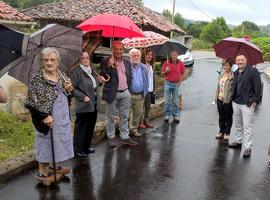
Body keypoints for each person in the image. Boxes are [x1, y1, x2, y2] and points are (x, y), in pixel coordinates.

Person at [25, 47, 74, 183]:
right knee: (45, 142)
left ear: (57, 61)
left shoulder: (62, 75)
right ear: (42, 61)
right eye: (46, 60)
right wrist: (44, 116)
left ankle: (54, 165)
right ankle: (43, 172)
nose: (49, 62)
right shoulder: (37, 80)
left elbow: (68, 94)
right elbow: (31, 102)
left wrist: (70, 89)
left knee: (58, 140)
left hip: (61, 117)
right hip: (47, 119)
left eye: (52, 59)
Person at [100, 41, 138, 147]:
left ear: (123, 50)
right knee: (110, 117)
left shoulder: (127, 61)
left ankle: (125, 137)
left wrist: (129, 91)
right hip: (112, 93)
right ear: (112, 50)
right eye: (116, 49)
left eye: (121, 49)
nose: (119, 51)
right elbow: (103, 75)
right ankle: (111, 137)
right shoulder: (106, 61)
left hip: (125, 92)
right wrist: (109, 65)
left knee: (124, 116)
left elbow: (130, 77)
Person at [69, 51, 106, 158]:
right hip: (83, 104)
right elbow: (72, 89)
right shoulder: (76, 72)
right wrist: (82, 96)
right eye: (83, 58)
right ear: (79, 60)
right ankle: (78, 149)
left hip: (93, 104)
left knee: (90, 126)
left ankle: (86, 146)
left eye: (87, 58)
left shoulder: (92, 70)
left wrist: (100, 81)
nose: (85, 60)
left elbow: (94, 84)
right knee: (81, 127)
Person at [228, 54, 262, 158]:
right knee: (238, 124)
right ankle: (238, 142)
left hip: (247, 104)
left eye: (242, 60)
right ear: (236, 61)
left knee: (247, 127)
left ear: (246, 61)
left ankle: (248, 148)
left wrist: (255, 101)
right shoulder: (235, 72)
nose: (240, 61)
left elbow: (258, 88)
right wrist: (230, 80)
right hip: (236, 102)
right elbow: (234, 87)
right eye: (238, 60)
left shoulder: (253, 71)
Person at [128, 48, 148, 137]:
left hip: (140, 95)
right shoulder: (127, 66)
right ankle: (124, 131)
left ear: (140, 57)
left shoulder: (144, 67)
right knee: (126, 114)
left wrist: (145, 90)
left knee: (137, 114)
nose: (136, 57)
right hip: (129, 94)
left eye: (137, 55)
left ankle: (133, 129)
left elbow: (146, 80)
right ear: (130, 57)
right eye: (133, 55)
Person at [161, 50, 186, 123]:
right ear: (171, 55)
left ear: (177, 55)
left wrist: (180, 81)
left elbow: (183, 72)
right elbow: (162, 74)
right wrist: (166, 71)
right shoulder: (166, 63)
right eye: (173, 55)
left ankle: (175, 115)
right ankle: (167, 115)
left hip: (176, 84)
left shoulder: (180, 63)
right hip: (168, 83)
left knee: (175, 102)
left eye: (175, 55)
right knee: (167, 102)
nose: (174, 56)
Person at [215, 59, 234, 141]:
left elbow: (234, 89)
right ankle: (221, 131)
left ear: (230, 66)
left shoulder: (233, 75)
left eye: (227, 65)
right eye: (224, 65)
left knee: (228, 117)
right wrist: (216, 97)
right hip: (220, 98)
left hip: (228, 100)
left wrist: (231, 80)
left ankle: (227, 132)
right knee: (221, 116)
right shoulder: (222, 74)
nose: (225, 67)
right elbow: (218, 86)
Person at [139, 48, 155, 129]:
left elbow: (152, 78)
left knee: (147, 106)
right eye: (148, 54)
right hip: (143, 89)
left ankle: (146, 121)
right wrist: (145, 69)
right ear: (144, 55)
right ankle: (140, 122)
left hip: (150, 89)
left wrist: (153, 89)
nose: (150, 56)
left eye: (151, 55)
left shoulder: (151, 65)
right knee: (141, 107)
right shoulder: (141, 65)